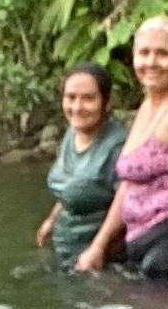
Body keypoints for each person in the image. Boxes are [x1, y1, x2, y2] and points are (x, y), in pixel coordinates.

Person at [81, 14, 168, 282]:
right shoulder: (148, 106)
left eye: (162, 54)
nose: (151, 62)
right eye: (144, 53)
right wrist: (99, 245)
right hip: (140, 238)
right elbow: (129, 184)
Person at [37, 58, 126, 264]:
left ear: (107, 102)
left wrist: (98, 248)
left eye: (88, 98)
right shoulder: (72, 133)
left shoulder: (117, 146)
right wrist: (52, 220)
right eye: (71, 97)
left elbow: (126, 202)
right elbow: (72, 185)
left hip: (101, 260)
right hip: (65, 249)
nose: (77, 107)